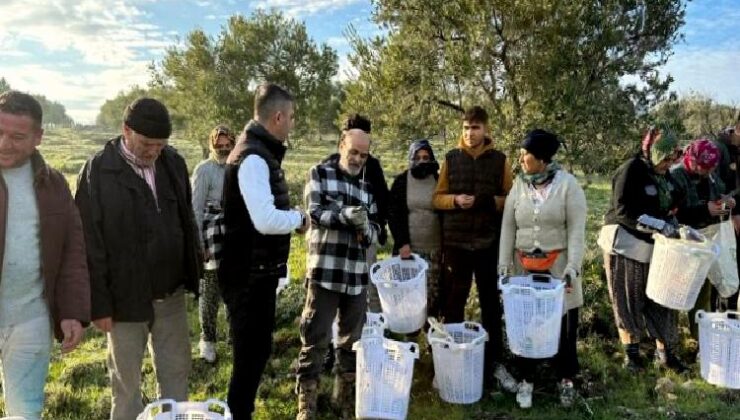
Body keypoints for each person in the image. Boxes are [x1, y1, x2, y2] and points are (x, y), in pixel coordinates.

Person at [76, 97, 202, 420]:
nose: (153, 152)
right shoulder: (97, 172)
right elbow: (90, 244)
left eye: (160, 145)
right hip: (123, 302)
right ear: (125, 131)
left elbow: (185, 218)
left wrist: (193, 267)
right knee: (126, 384)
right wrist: (100, 305)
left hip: (170, 294)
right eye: (147, 143)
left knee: (176, 373)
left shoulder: (173, 162)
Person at [218, 83, 309, 420]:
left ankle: (240, 412)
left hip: (257, 273)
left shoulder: (258, 152)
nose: (293, 124)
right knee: (248, 359)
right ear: (278, 116)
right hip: (247, 277)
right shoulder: (253, 157)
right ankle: (238, 414)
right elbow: (265, 219)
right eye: (292, 117)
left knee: (254, 354)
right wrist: (299, 218)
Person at [0, 91, 90, 420]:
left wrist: (72, 312)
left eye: (17, 136)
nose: (3, 144)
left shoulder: (53, 185)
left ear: (39, 137)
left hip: (31, 318)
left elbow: (72, 252)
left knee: (26, 412)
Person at [498, 129, 586, 409]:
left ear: (543, 160)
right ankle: (527, 378)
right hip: (524, 266)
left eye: (527, 155)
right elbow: (508, 227)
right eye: (522, 154)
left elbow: (576, 230)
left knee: (564, 323)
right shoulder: (519, 186)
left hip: (558, 265)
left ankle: (566, 379)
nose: (522, 160)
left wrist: (573, 266)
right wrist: (503, 264)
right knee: (526, 321)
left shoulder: (567, 185)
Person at [295, 128, 380, 420]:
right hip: (325, 271)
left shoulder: (367, 189)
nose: (357, 158)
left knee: (351, 341)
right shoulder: (319, 173)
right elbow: (315, 212)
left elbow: (376, 230)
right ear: (342, 144)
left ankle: (344, 397)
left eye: (363, 155)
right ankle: (307, 402)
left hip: (355, 275)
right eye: (353, 151)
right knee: (315, 337)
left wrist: (366, 229)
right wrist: (345, 217)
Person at [432, 106, 516, 392]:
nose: (470, 133)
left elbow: (511, 198)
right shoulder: (451, 159)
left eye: (476, 128)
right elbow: (437, 198)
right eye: (466, 128)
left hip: (487, 243)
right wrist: (455, 201)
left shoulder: (500, 161)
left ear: (486, 130)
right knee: (453, 302)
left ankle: (494, 363)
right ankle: (449, 360)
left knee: (491, 304)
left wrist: (490, 202)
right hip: (455, 243)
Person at [597, 126, 686, 374]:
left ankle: (666, 354)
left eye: (672, 159)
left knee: (661, 300)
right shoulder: (631, 170)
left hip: (656, 246)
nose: (668, 163)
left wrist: (670, 222)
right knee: (628, 298)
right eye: (665, 158)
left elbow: (673, 202)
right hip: (626, 244)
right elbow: (623, 210)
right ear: (653, 151)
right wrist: (654, 223)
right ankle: (632, 357)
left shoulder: (665, 176)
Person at [321, 114, 389, 312]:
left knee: (367, 280)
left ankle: (374, 321)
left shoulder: (372, 166)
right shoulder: (328, 164)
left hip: (364, 234)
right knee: (336, 282)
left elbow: (383, 198)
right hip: (336, 236)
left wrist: (379, 226)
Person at [671, 138, 735, 338]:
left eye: (711, 168)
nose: (708, 172)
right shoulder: (676, 176)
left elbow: (716, 196)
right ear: (692, 160)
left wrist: (725, 202)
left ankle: (700, 338)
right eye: (704, 167)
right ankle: (669, 340)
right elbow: (673, 213)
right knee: (676, 292)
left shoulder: (710, 175)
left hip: (705, 240)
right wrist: (703, 209)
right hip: (681, 242)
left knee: (703, 291)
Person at [191, 125, 235, 363]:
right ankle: (207, 340)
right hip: (211, 231)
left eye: (228, 145)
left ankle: (233, 337)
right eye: (219, 146)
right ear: (212, 145)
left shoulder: (237, 166)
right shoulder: (204, 170)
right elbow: (195, 210)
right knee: (210, 290)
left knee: (234, 288)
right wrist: (200, 245)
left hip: (233, 229)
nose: (224, 149)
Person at [388, 139, 442, 319]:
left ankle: (431, 339)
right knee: (408, 299)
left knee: (432, 299)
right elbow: (394, 214)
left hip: (435, 251)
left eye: (426, 157)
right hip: (409, 251)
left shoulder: (440, 180)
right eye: (417, 157)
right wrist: (402, 243)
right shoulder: (402, 181)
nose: (421, 161)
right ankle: (409, 339)